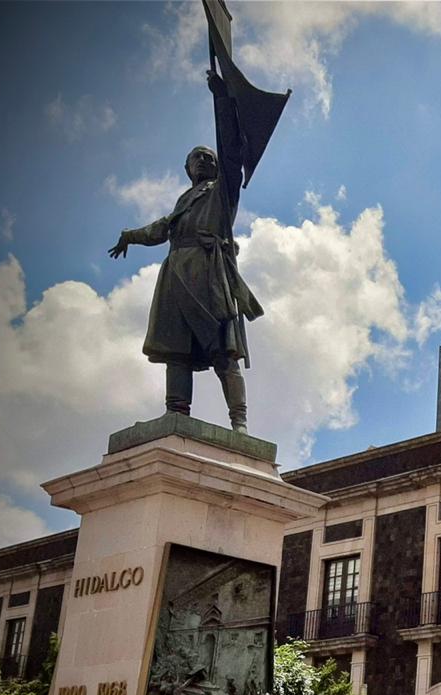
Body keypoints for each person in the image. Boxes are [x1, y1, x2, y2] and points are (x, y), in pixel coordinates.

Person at [108, 71, 261, 434]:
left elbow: (232, 152)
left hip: (210, 275)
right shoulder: (183, 201)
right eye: (197, 158)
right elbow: (160, 229)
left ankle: (238, 421)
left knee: (224, 351)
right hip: (176, 273)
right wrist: (130, 235)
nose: (205, 160)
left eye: (208, 157)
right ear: (188, 169)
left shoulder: (223, 191)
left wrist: (222, 100)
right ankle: (177, 413)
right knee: (174, 349)